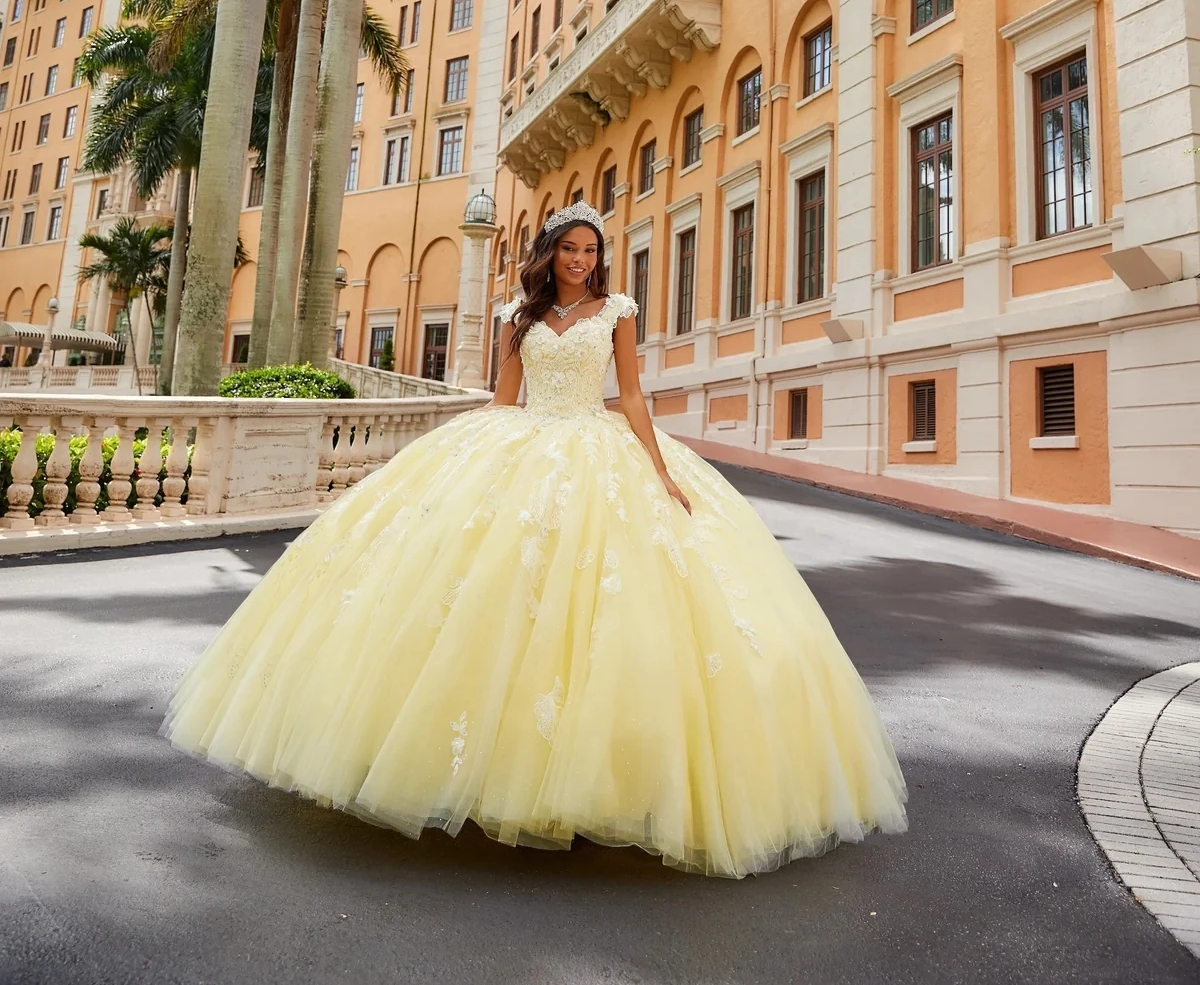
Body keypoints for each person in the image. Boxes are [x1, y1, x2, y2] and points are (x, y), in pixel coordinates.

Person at [167, 204, 906, 876]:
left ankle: (590, 785)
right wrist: (473, 458)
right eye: (570, 249)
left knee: (601, 615)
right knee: (483, 596)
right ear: (548, 253)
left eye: (590, 250)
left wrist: (659, 469)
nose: (580, 260)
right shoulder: (517, 316)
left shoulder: (618, 311)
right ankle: (472, 772)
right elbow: (504, 396)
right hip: (522, 442)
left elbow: (631, 395)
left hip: (597, 444)